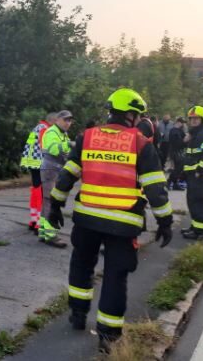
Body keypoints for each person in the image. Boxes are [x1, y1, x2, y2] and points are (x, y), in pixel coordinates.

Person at [48, 88, 172, 352]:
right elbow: (156, 189)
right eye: (137, 115)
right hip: (122, 223)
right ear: (130, 114)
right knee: (116, 276)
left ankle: (78, 315)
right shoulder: (140, 144)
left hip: (87, 219)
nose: (138, 120)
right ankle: (108, 337)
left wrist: (56, 205)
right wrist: (165, 221)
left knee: (81, 265)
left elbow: (67, 175)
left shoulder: (87, 137)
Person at [39, 110, 74, 248]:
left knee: (47, 202)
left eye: (70, 121)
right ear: (57, 119)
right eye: (65, 120)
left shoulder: (61, 133)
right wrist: (70, 145)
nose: (68, 123)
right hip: (50, 171)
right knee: (50, 203)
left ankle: (44, 233)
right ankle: (50, 235)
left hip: (54, 171)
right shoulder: (52, 132)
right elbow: (54, 149)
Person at [20, 113, 57, 234]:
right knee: (42, 193)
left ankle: (33, 221)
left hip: (32, 162)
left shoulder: (38, 127)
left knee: (36, 190)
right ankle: (39, 224)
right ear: (52, 121)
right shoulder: (45, 130)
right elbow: (45, 146)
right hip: (40, 163)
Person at [181, 106, 203, 240]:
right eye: (192, 119)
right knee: (192, 201)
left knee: (197, 202)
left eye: (196, 118)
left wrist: (199, 170)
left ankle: (200, 232)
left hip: (199, 174)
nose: (193, 121)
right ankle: (194, 227)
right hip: (192, 174)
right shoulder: (194, 133)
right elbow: (190, 155)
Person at [167, 117, 187, 190]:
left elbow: (185, 139)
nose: (184, 125)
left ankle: (175, 184)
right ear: (179, 122)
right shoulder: (174, 131)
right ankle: (169, 181)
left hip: (180, 151)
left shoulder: (180, 131)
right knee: (178, 168)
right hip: (175, 152)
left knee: (179, 168)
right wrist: (184, 141)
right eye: (183, 123)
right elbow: (178, 143)